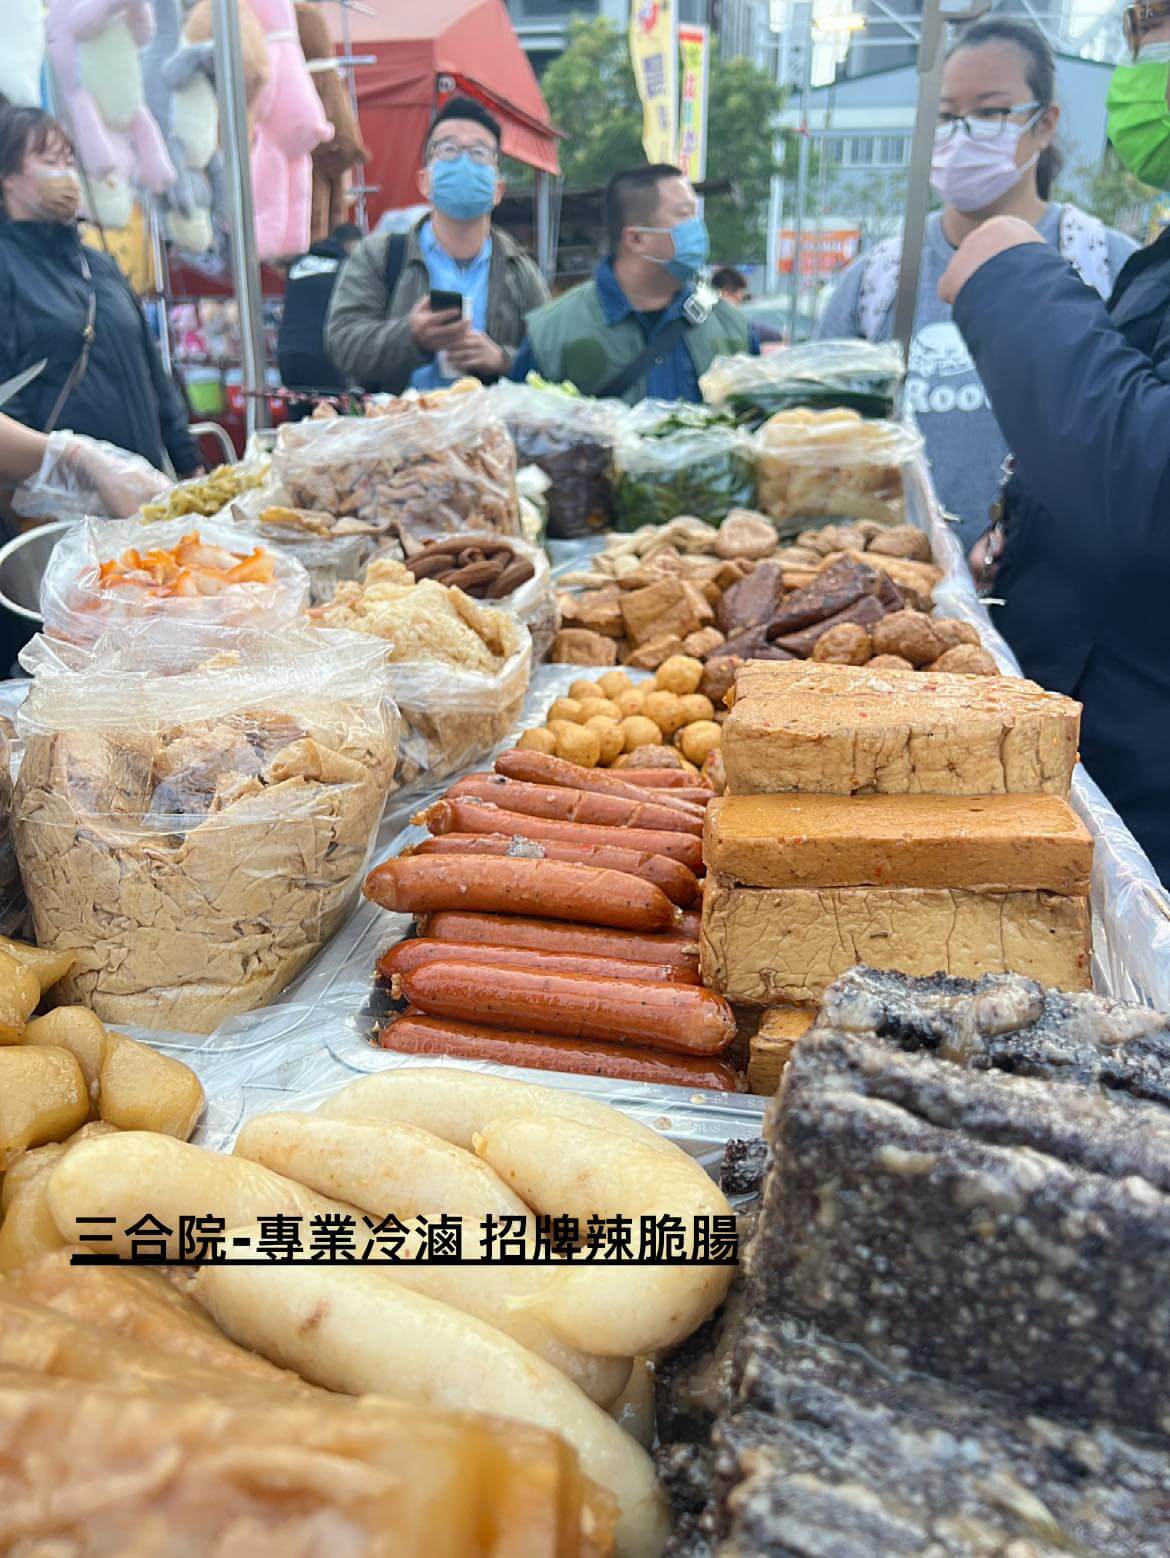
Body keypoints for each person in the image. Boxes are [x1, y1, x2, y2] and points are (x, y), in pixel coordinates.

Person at [934, 0, 1170, 885]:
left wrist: (1009, 274)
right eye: (1142, 32)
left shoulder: (1092, 250)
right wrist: (1033, 540)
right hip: (1098, 754)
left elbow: (1150, 486)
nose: (1149, 60)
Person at [815, 18, 1135, 551]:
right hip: (900, 592)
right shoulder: (876, 279)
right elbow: (819, 442)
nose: (962, 132)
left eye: (990, 112)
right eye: (945, 116)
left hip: (1062, 602)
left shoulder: (1106, 266)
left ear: (1044, 123)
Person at [0, 108, 201, 478]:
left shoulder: (99, 265)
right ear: (7, 178)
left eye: (68, 161)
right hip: (59, 503)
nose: (66, 174)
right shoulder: (7, 268)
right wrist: (31, 491)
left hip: (141, 487)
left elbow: (152, 370)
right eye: (49, 161)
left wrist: (188, 460)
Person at [325, 98, 548, 393]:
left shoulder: (520, 272)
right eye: (449, 149)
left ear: (498, 190)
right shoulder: (380, 256)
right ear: (424, 181)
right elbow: (342, 344)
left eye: (479, 152)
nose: (464, 161)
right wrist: (411, 335)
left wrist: (503, 359)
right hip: (404, 431)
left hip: (490, 434)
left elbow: (551, 359)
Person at [511, 165, 755, 404]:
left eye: (695, 214)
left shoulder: (732, 328)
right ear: (637, 238)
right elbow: (520, 428)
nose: (698, 228)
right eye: (684, 214)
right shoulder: (553, 334)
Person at [277, 222, 361, 407]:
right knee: (331, 424)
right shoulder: (347, 267)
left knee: (299, 423)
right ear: (351, 245)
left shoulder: (300, 263)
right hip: (321, 354)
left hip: (287, 354)